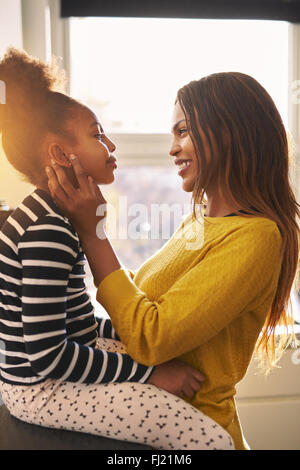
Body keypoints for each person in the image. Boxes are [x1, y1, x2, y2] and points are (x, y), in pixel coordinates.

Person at [46, 72, 300, 451]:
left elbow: (151, 336)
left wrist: (92, 232)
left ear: (226, 132)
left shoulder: (257, 238)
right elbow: (141, 296)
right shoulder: (198, 223)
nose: (172, 148)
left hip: (196, 433)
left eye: (183, 132)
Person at [0, 48, 234, 450]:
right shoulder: (47, 229)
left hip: (53, 369)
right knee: (210, 440)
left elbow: (78, 326)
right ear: (59, 154)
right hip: (42, 389)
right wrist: (148, 373)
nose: (110, 143)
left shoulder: (53, 216)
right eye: (96, 134)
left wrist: (139, 349)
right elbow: (49, 356)